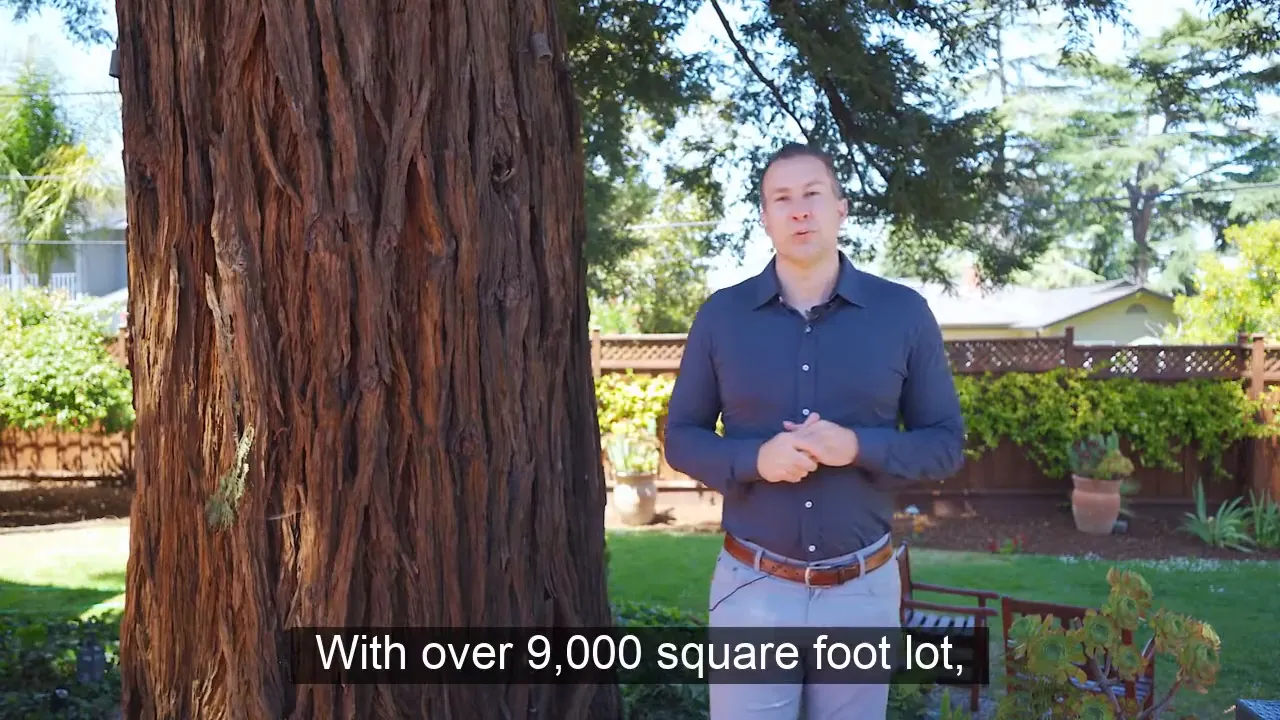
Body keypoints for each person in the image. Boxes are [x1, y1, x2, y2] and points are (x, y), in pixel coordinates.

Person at [662, 142, 966, 719]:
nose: (799, 210)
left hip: (863, 591)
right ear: (765, 218)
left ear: (841, 209)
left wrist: (857, 446)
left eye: (812, 194)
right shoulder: (720, 317)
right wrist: (755, 461)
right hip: (751, 586)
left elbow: (944, 443)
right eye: (782, 198)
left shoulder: (903, 313)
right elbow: (681, 436)